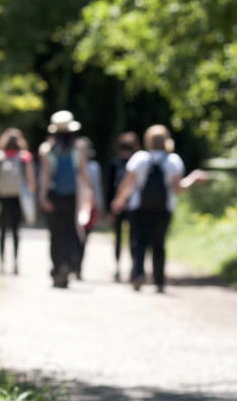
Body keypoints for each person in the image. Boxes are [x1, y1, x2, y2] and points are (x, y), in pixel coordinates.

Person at [111, 124, 208, 293]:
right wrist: (193, 177)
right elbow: (178, 188)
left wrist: (118, 200)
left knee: (139, 241)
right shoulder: (173, 160)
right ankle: (159, 281)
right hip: (164, 208)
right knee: (159, 243)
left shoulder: (139, 158)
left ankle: (139, 274)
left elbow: (127, 183)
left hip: (138, 207)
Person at [38, 111, 93, 288]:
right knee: (70, 232)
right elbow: (83, 174)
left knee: (55, 234)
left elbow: (45, 176)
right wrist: (89, 194)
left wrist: (42, 196)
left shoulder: (46, 149)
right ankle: (66, 265)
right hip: (72, 196)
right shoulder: (79, 148)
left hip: (54, 196)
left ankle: (57, 268)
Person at [0, 128, 36, 274]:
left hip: (2, 196)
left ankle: (2, 263)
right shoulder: (25, 157)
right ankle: (16, 261)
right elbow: (30, 180)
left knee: (2, 231)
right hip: (18, 197)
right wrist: (33, 195)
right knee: (16, 231)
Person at [106, 132, 140, 282]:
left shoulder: (114, 162)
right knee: (134, 238)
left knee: (118, 238)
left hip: (117, 205)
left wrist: (110, 208)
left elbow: (109, 187)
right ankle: (134, 268)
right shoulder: (138, 162)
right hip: (134, 205)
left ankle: (117, 268)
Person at [76, 137, 104, 280]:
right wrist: (99, 208)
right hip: (87, 205)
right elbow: (97, 190)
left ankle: (75, 267)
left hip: (81, 205)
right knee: (83, 239)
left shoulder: (75, 166)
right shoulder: (93, 167)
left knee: (77, 238)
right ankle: (77, 268)